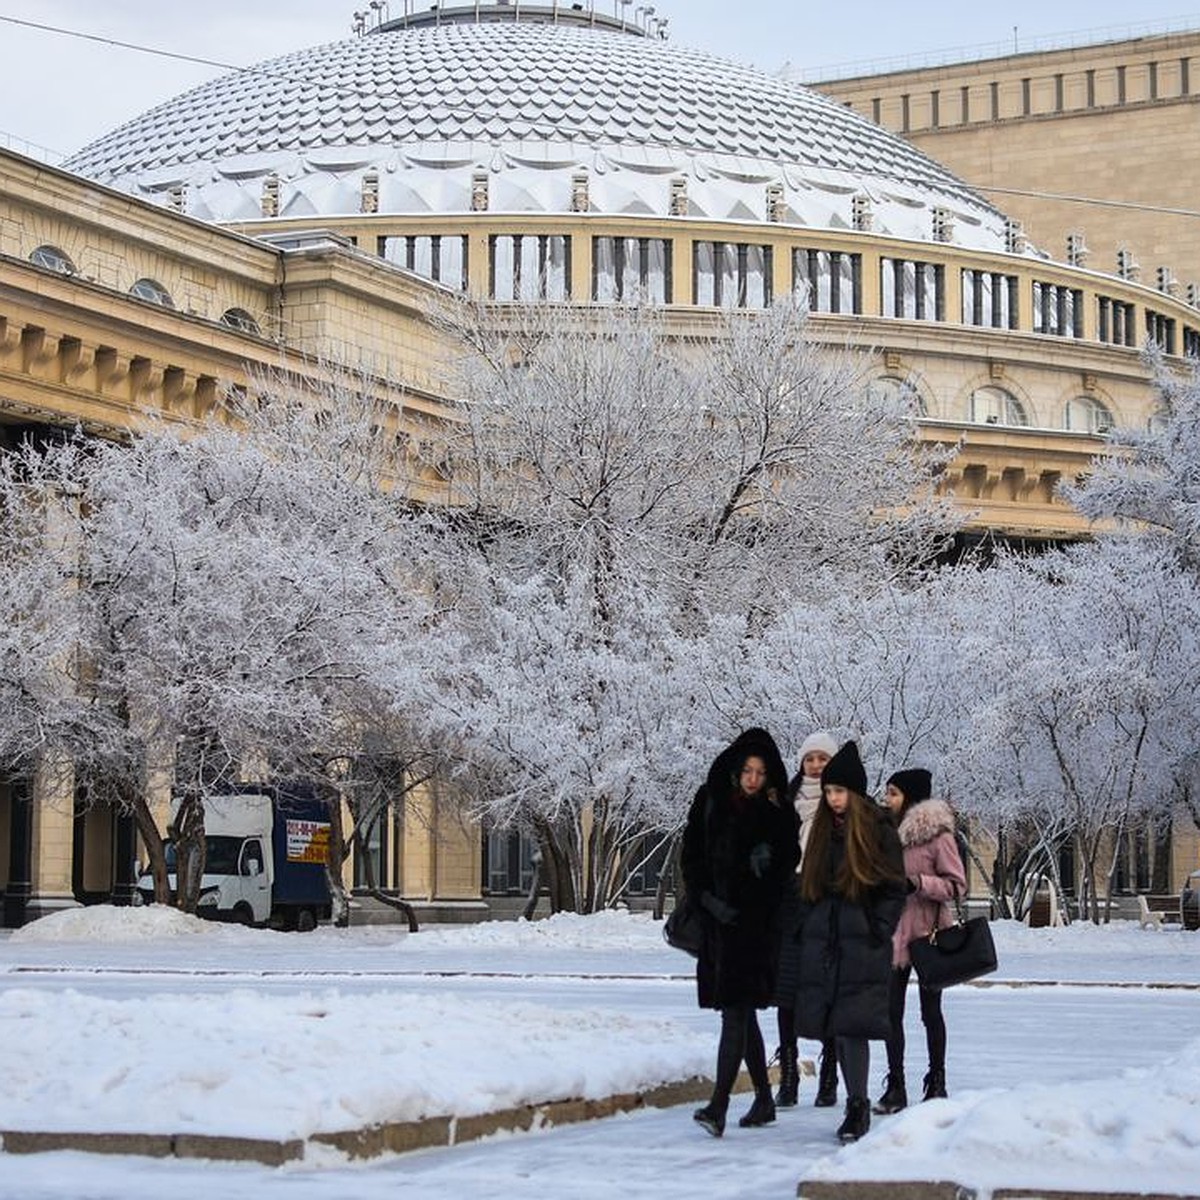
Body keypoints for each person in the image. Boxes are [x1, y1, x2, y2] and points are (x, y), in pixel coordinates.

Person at [682, 728, 800, 1138]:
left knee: (735, 1011)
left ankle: (718, 1106)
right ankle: (764, 1100)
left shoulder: (777, 814)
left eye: (760, 772)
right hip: (718, 926)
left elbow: (786, 869)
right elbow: (691, 857)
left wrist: (762, 874)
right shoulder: (711, 801)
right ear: (735, 770)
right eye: (747, 770)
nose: (753, 778)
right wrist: (708, 901)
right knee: (741, 1013)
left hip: (753, 931)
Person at [791, 740, 906, 1143]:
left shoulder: (877, 830)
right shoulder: (822, 830)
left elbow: (895, 888)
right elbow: (809, 884)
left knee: (853, 1027)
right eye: (828, 792)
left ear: (854, 792)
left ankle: (857, 1104)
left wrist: (879, 927)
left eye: (839, 791)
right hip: (826, 941)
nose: (833, 799)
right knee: (837, 1026)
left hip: (862, 943)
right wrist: (807, 924)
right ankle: (851, 1100)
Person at [873, 768, 967, 1114]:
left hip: (930, 935)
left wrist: (918, 883)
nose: (887, 799)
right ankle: (895, 1085)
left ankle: (936, 1082)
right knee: (889, 1012)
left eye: (894, 793)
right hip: (894, 935)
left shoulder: (938, 836)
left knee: (931, 1012)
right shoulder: (884, 833)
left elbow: (957, 885)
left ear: (910, 797)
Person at [773, 730, 838, 1109]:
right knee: (788, 991)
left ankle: (829, 1074)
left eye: (822, 758)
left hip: (825, 902)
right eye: (810, 758)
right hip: (790, 903)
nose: (815, 765)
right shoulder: (787, 800)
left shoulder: (838, 802)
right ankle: (789, 1075)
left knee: (827, 991)